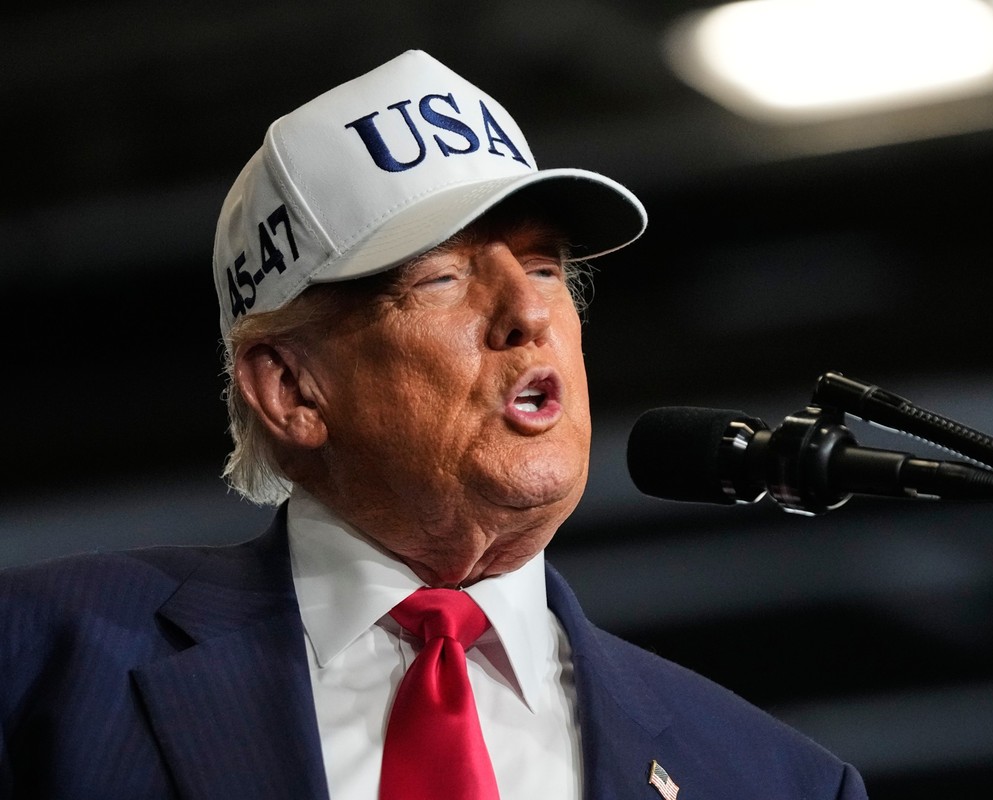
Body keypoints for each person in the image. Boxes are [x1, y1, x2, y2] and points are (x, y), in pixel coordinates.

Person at [0, 49, 868, 799]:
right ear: (292, 389)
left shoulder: (770, 779)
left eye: (542, 265)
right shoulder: (41, 663)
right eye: (442, 279)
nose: (527, 311)